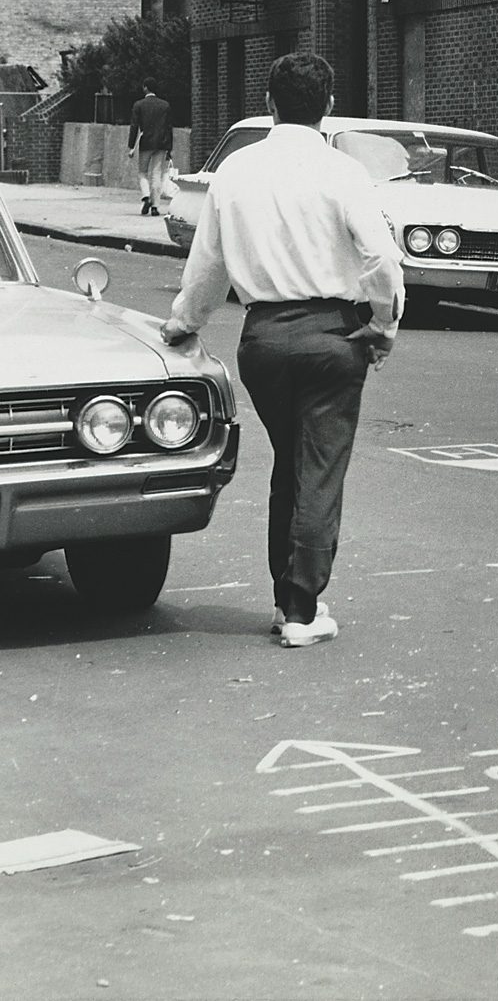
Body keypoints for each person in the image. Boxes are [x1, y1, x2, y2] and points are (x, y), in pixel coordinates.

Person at [160, 52, 404, 648]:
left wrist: (182, 324)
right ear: (327, 108)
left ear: (269, 104)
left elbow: (209, 267)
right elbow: (381, 257)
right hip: (332, 335)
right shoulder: (342, 171)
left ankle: (284, 594)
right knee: (320, 469)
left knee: (290, 464)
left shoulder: (237, 172)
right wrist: (383, 323)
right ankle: (301, 608)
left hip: (263, 338)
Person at [128, 79, 174, 216]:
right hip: (161, 144)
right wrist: (169, 148)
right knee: (156, 174)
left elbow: (134, 126)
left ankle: (146, 196)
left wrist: (131, 146)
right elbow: (169, 128)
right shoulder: (165, 105)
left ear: (145, 88)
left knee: (142, 172)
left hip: (146, 143)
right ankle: (155, 206)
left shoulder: (139, 105)